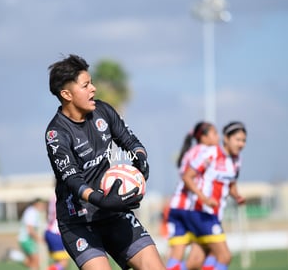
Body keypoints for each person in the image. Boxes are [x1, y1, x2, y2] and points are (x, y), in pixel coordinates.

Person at [44, 54, 165, 270]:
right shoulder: (56, 133)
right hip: (78, 222)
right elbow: (72, 179)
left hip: (113, 213)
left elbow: (129, 141)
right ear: (66, 94)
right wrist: (101, 199)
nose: (94, 89)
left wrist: (141, 158)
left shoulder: (103, 111)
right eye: (86, 85)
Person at [181, 121, 247, 270]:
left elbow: (230, 184)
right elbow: (187, 177)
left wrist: (237, 196)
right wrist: (204, 198)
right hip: (202, 212)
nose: (241, 144)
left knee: (195, 262)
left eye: (244, 140)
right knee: (224, 256)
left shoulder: (237, 161)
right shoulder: (211, 154)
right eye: (237, 139)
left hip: (215, 215)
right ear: (226, 138)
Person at [165, 121, 220, 270]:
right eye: (215, 133)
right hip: (191, 207)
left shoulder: (189, 152)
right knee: (215, 249)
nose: (218, 137)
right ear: (203, 137)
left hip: (176, 205)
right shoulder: (207, 152)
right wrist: (205, 198)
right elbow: (189, 177)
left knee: (177, 253)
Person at [18, 198, 47, 270]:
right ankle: (14, 255)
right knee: (36, 261)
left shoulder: (35, 212)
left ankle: (14, 255)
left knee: (32, 262)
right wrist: (39, 239)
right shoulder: (31, 212)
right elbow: (30, 229)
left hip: (29, 239)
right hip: (27, 239)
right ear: (37, 204)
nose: (44, 207)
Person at [45, 194, 70, 270]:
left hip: (50, 231)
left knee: (58, 262)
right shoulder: (62, 196)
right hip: (56, 233)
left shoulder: (53, 197)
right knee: (63, 262)